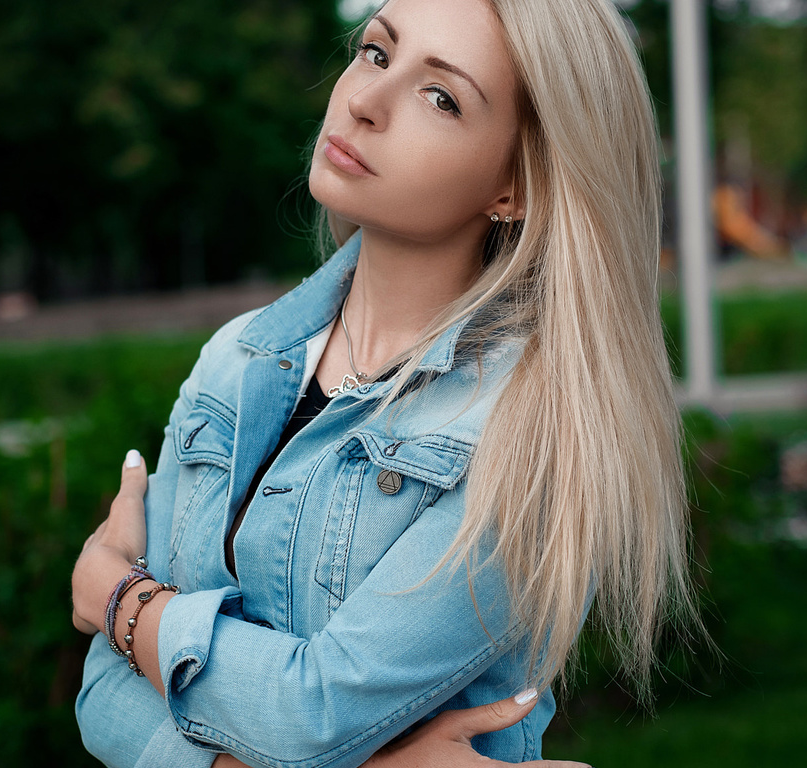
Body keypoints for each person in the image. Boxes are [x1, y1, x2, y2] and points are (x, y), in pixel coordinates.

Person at [71, 0, 702, 765]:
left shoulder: (534, 435)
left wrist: (118, 600)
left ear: (517, 186)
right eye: (376, 53)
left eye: (441, 97)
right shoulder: (238, 359)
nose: (364, 102)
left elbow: (314, 714)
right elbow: (103, 696)